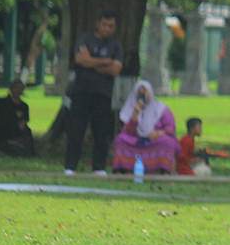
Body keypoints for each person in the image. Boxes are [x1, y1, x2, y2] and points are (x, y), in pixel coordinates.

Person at [65, 11, 124, 175]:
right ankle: (70, 167)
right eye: (104, 25)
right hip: (81, 91)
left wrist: (90, 62)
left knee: (101, 131)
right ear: (98, 23)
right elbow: (79, 60)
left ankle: (98, 167)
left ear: (115, 27)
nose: (106, 28)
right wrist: (105, 61)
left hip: (103, 94)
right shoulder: (85, 39)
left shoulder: (116, 46)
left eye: (110, 26)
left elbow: (115, 69)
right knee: (76, 129)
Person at [111, 80, 179, 174]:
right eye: (140, 92)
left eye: (145, 92)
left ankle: (162, 170)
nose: (142, 94)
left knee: (167, 142)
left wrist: (158, 134)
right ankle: (122, 169)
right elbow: (128, 131)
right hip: (136, 139)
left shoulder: (160, 108)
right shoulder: (131, 108)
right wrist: (136, 112)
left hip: (155, 139)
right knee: (120, 140)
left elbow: (171, 127)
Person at [0, 80, 35, 156]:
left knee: (27, 131)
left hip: (13, 128)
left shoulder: (23, 106)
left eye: (20, 88)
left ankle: (29, 153)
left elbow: (25, 119)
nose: (18, 90)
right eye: (16, 88)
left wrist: (22, 125)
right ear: (11, 89)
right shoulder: (0, 101)